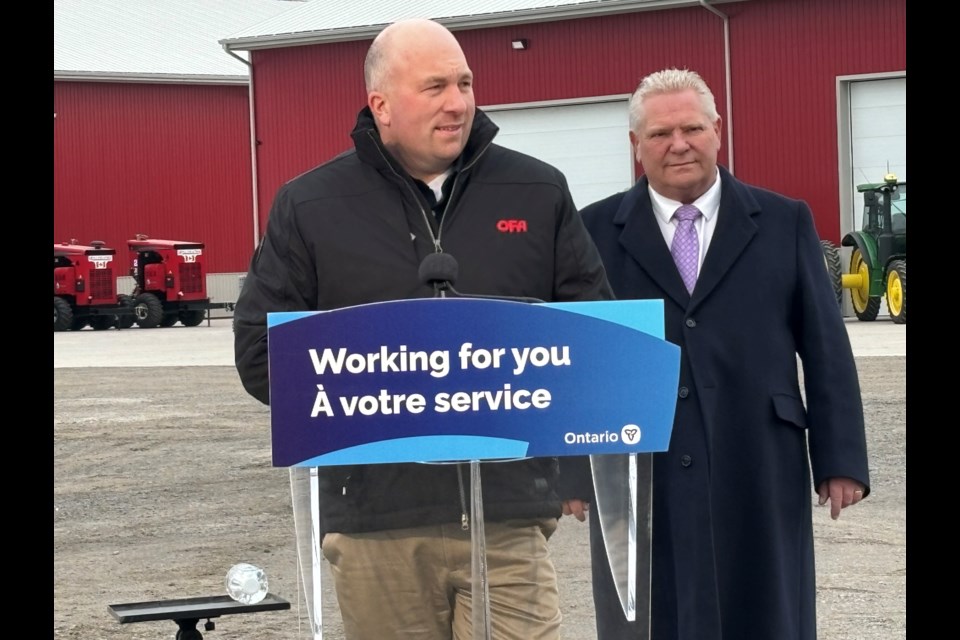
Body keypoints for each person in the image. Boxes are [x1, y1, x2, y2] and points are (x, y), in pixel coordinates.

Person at [233, 18, 612, 640]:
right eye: (435, 86)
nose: (458, 102)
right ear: (381, 105)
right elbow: (260, 355)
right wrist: (381, 388)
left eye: (465, 83)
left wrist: (564, 457)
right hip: (376, 522)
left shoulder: (537, 191)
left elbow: (592, 337)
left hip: (507, 519)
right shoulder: (309, 207)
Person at [578, 68, 871, 640]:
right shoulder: (593, 231)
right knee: (654, 613)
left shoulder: (785, 221)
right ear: (635, 145)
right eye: (660, 134)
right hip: (643, 468)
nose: (678, 144)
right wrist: (569, 474)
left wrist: (840, 460)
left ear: (718, 129)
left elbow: (825, 347)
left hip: (760, 456)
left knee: (766, 610)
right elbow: (578, 357)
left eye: (691, 128)